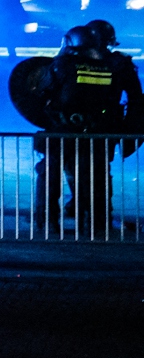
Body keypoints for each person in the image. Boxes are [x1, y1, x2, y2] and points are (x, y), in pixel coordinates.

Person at [38, 25, 139, 237]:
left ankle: (47, 222)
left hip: (63, 130)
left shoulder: (63, 64)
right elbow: (135, 100)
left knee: (50, 175)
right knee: (98, 178)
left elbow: (43, 94)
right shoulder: (117, 65)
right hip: (101, 131)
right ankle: (96, 224)